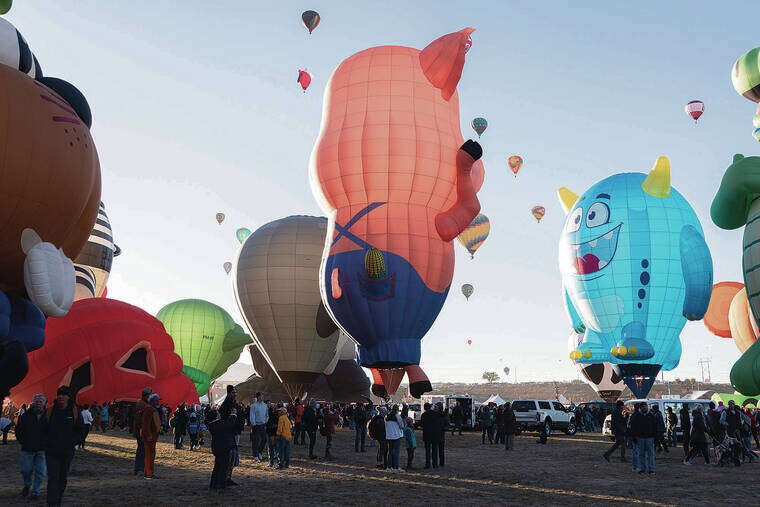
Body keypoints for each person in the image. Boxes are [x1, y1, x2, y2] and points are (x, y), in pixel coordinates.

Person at [45, 386, 82, 506]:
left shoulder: (74, 411)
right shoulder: (50, 411)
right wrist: (47, 443)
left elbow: (80, 429)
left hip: (67, 451)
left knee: (62, 478)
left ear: (68, 397)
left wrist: (73, 442)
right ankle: (52, 503)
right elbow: (44, 429)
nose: (61, 397)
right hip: (52, 451)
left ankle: (58, 498)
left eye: (63, 395)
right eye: (59, 394)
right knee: (53, 477)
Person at [16, 393, 47, 499]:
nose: (38, 403)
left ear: (44, 403)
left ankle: (36, 491)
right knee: (26, 469)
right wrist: (23, 441)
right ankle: (27, 484)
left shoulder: (48, 416)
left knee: (41, 471)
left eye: (41, 401)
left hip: (42, 448)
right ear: (33, 402)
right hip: (27, 448)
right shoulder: (25, 415)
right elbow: (18, 430)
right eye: (37, 401)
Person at [219, 385, 245, 485]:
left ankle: (228, 477)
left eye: (236, 393)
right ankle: (225, 478)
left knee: (233, 458)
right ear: (229, 393)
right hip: (228, 434)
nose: (235, 394)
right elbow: (225, 420)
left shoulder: (234, 404)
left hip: (233, 433)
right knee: (229, 457)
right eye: (233, 393)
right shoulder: (226, 405)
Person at [208, 407, 237, 490]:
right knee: (224, 468)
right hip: (224, 448)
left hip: (217, 448)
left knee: (217, 467)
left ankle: (213, 484)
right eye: (218, 414)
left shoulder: (212, 425)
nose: (219, 415)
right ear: (216, 416)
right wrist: (233, 415)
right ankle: (221, 485)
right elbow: (229, 424)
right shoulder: (219, 424)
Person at [628, 402, 656, 475]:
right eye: (643, 407)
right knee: (641, 454)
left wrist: (655, 436)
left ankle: (651, 469)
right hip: (640, 437)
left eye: (645, 406)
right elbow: (633, 427)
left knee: (650, 454)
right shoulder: (636, 416)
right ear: (640, 408)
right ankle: (643, 468)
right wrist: (634, 437)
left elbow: (655, 426)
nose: (644, 408)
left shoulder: (651, 416)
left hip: (649, 437)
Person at [141, 394, 161, 479]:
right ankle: (149, 473)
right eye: (157, 401)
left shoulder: (152, 409)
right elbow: (146, 424)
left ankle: (149, 472)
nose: (158, 402)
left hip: (153, 436)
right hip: (150, 436)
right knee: (149, 455)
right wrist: (148, 435)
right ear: (153, 401)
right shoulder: (149, 410)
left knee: (151, 454)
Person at [132, 387, 151, 476]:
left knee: (142, 449)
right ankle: (139, 469)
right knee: (142, 450)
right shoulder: (141, 404)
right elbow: (140, 419)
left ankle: (140, 468)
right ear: (147, 395)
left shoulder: (143, 403)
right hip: (142, 431)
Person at [249, 392, 268, 461]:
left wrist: (265, 421)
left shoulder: (265, 405)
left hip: (263, 424)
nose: (262, 398)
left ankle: (259, 451)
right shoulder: (254, 405)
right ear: (258, 397)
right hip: (256, 425)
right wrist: (253, 424)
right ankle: (255, 455)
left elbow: (267, 415)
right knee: (255, 440)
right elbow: (252, 415)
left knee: (264, 439)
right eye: (261, 396)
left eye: (263, 396)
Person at [421, 403, 441, 469]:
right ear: (430, 407)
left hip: (427, 434)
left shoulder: (423, 415)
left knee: (427, 451)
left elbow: (422, 425)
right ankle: (435, 464)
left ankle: (428, 464)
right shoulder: (435, 414)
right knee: (435, 450)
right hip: (435, 434)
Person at [385, 405, 405, 471]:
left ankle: (389, 466)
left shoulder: (387, 416)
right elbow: (402, 426)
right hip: (397, 435)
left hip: (389, 436)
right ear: (397, 409)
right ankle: (396, 467)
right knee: (396, 452)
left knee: (390, 452)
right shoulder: (397, 416)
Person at [275, 405, 292, 469]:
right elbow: (290, 427)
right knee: (287, 452)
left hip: (283, 436)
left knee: (281, 451)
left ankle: (281, 464)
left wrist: (278, 435)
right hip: (288, 437)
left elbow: (280, 428)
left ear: (282, 412)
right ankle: (287, 464)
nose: (278, 412)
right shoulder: (287, 418)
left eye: (279, 411)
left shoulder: (281, 418)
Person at [265, 402, 280, 467]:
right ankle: (271, 462)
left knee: (276, 449)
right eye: (273, 407)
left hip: (275, 434)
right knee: (271, 448)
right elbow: (267, 423)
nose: (274, 408)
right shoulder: (268, 414)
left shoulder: (278, 415)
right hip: (270, 433)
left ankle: (278, 463)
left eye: (275, 407)